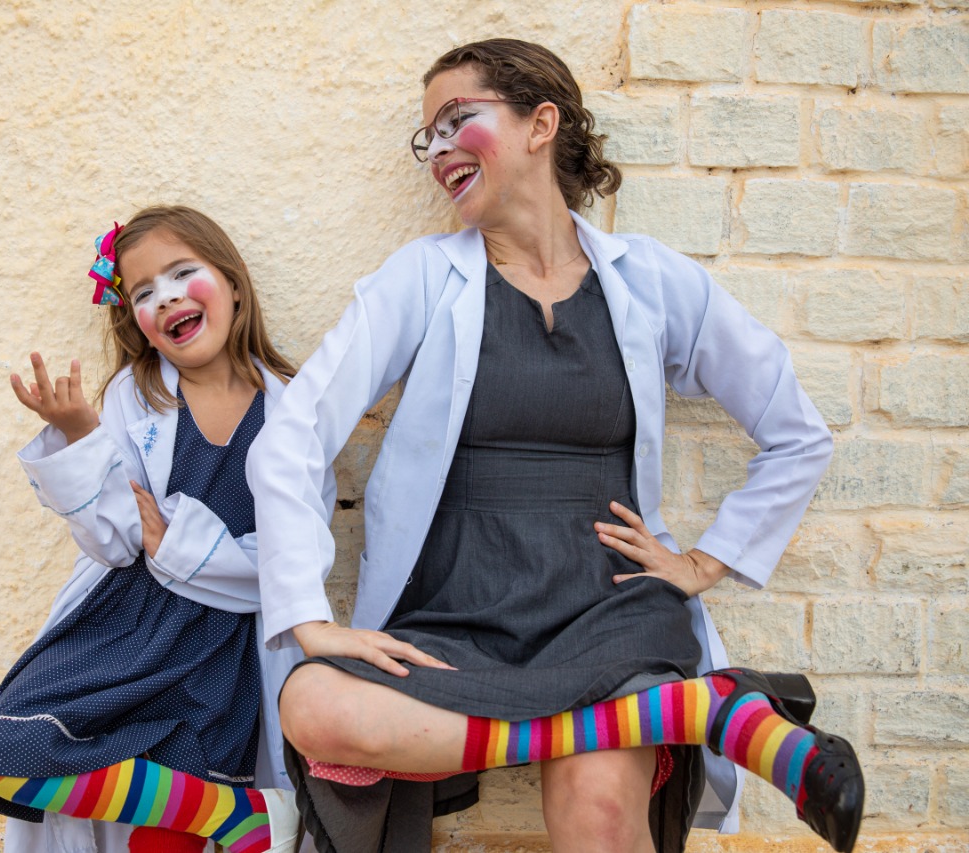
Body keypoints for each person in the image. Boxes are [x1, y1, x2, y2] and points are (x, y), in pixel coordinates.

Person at [248, 39, 863, 853]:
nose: (436, 150)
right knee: (313, 705)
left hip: (610, 607)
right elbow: (292, 433)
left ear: (541, 124)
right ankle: (700, 709)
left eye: (456, 120)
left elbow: (796, 430)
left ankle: (657, 702)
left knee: (602, 814)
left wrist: (707, 561)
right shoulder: (421, 280)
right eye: (424, 136)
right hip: (456, 609)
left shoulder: (650, 281)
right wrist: (307, 614)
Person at [0, 206, 317, 853]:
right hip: (126, 627)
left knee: (165, 838)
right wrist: (79, 436)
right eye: (145, 292)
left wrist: (178, 541)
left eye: (184, 273)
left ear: (233, 283)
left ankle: (225, 812)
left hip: (224, 646)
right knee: (12, 752)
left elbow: (296, 557)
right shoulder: (133, 393)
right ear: (137, 321)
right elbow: (117, 538)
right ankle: (237, 815)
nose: (168, 296)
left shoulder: (292, 408)